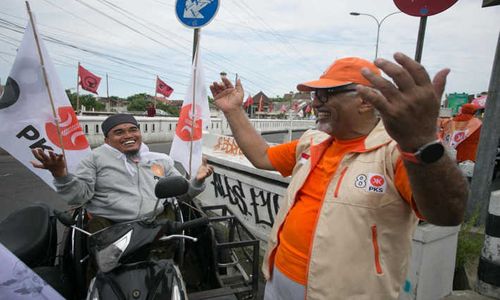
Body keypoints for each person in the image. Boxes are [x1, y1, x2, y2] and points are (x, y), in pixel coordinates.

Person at [210, 53, 468, 300]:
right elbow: (263, 156)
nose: (315, 102)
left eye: (326, 94)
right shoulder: (313, 141)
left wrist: (421, 144)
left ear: (366, 101)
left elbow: (447, 214)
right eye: (314, 94)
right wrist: (233, 111)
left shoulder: (397, 153)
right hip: (278, 279)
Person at [31, 114, 213, 230]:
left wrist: (197, 181)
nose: (128, 136)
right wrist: (60, 175)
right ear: (107, 140)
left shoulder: (159, 160)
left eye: (133, 130)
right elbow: (78, 197)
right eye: (119, 132)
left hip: (156, 224)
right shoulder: (94, 159)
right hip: (110, 228)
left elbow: (183, 193)